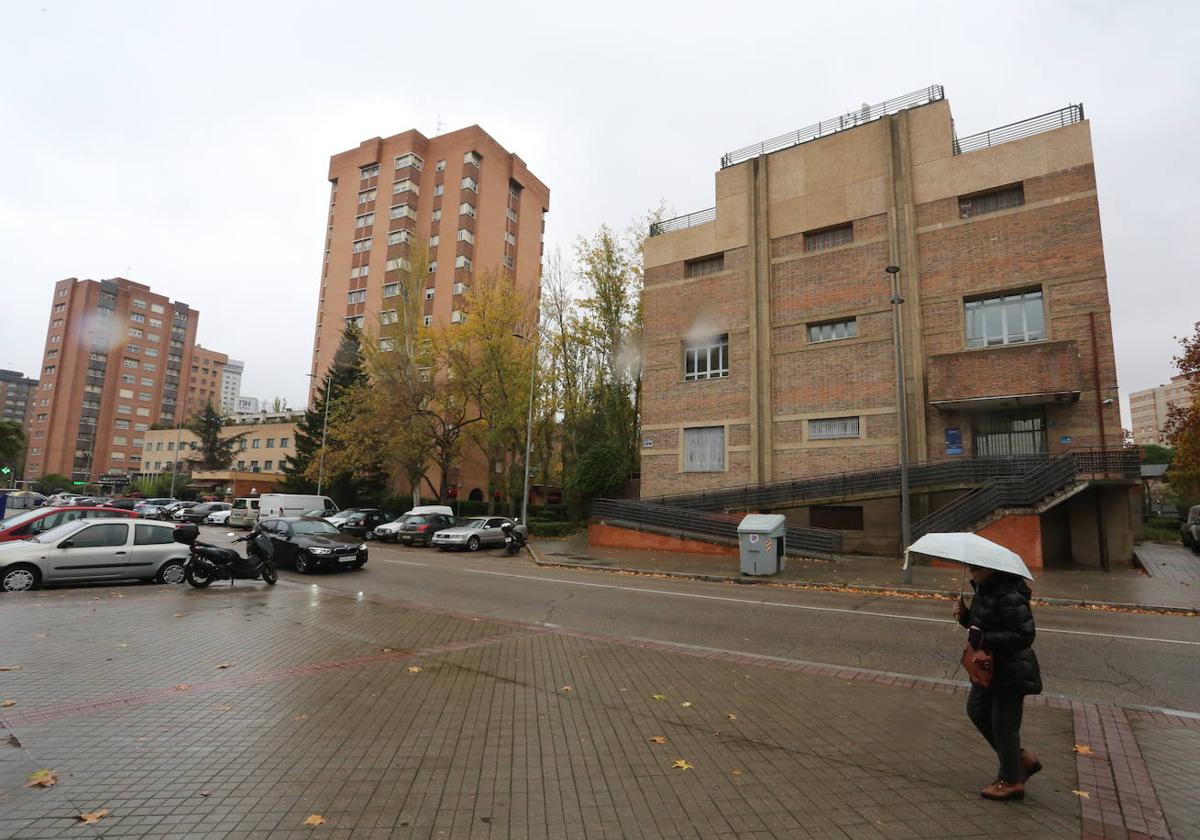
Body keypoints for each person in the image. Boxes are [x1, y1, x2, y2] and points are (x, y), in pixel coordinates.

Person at [955, 564, 1043, 801]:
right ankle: (1020, 760)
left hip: (1010, 670)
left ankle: (1011, 781)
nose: (971, 573)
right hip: (987, 669)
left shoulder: (1009, 595)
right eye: (970, 568)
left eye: (975, 569)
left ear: (991, 570)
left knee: (1004, 726)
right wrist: (965, 616)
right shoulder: (984, 590)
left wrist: (986, 638)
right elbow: (980, 624)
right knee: (977, 710)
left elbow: (1025, 635)